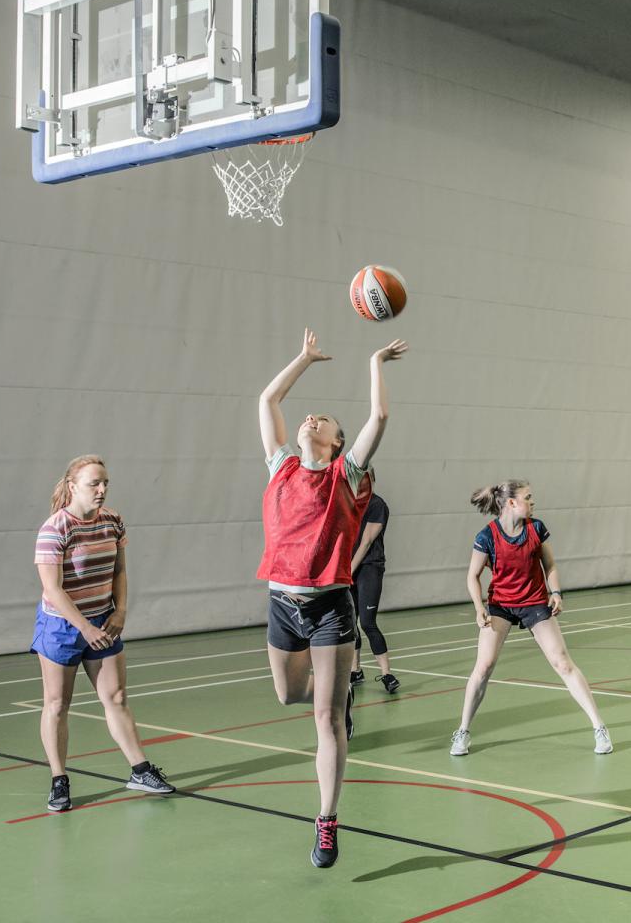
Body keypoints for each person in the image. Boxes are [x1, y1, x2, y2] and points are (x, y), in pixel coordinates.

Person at [257, 327, 406, 867]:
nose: (309, 419)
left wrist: (374, 362)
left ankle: (326, 820)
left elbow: (380, 418)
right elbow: (268, 400)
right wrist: (302, 359)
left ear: (338, 442)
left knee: (326, 719)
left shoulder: (347, 476)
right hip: (282, 603)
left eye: (323, 420)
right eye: (308, 416)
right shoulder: (282, 467)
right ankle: (334, 687)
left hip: (328, 607)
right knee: (288, 696)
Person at [32, 455, 175, 812]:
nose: (101, 490)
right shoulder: (55, 529)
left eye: (105, 483)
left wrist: (120, 612)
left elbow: (120, 572)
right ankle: (59, 780)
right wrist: (84, 628)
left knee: (117, 697)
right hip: (63, 627)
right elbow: (53, 590)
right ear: (72, 487)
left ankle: (140, 770)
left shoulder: (113, 521)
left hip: (104, 620)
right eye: (94, 483)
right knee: (57, 704)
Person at [448, 480, 611, 757]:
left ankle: (599, 728)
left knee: (563, 663)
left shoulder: (536, 528)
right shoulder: (487, 536)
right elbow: (472, 576)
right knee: (484, 666)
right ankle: (463, 731)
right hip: (500, 605)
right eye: (528, 497)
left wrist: (556, 592)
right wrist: (479, 607)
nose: (533, 502)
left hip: (535, 603)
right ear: (511, 503)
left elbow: (550, 565)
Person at [349, 474, 398, 694]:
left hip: (369, 568)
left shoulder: (377, 505)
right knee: (349, 623)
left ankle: (387, 674)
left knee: (367, 622)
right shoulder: (346, 503)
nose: (359, 484)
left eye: (364, 480)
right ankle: (355, 670)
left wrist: (349, 570)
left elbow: (366, 541)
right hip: (346, 570)